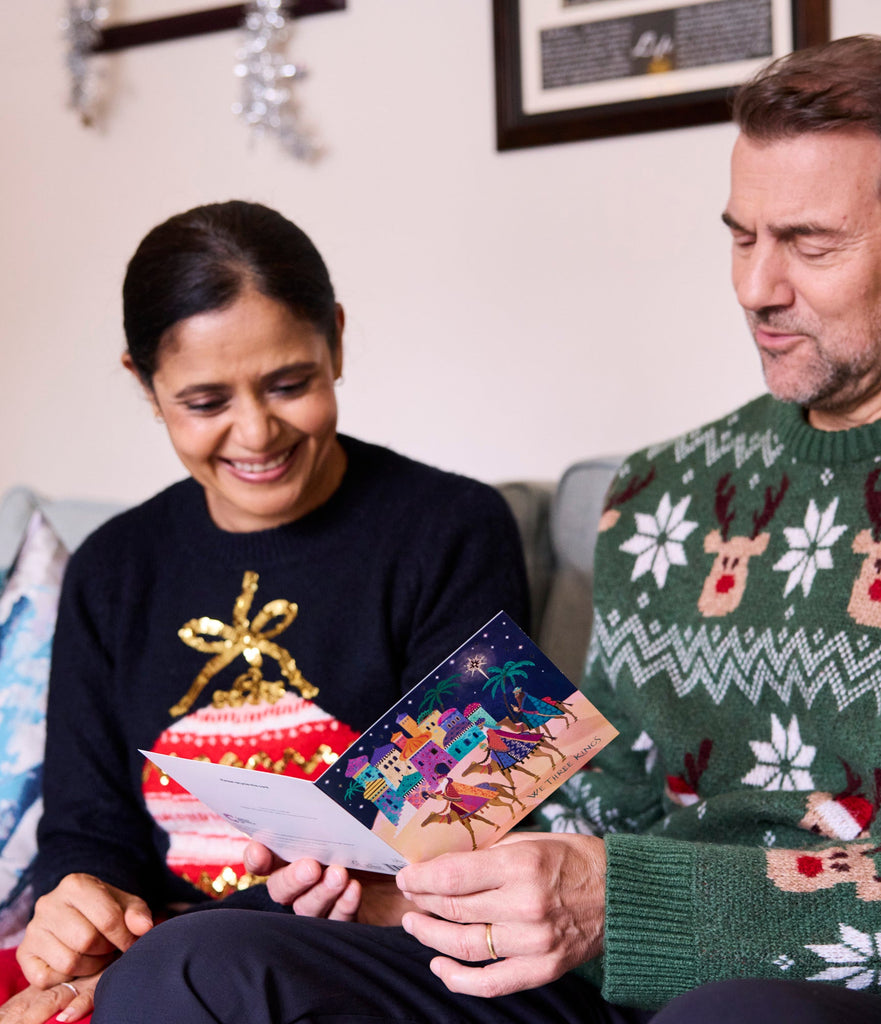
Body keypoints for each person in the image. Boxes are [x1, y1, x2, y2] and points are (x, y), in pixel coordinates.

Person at [90, 34, 881, 1024]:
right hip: (602, 984)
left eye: (808, 242)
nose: (756, 287)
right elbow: (599, 803)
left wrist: (626, 902)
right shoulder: (665, 490)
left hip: (829, 1001)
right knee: (192, 965)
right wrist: (407, 888)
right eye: (741, 236)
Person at [0, 201, 529, 1023]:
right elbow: (86, 832)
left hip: (375, 961)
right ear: (144, 383)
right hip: (158, 961)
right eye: (206, 402)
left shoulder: (454, 530)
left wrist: (147, 967)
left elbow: (457, 832)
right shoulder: (110, 569)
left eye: (290, 384)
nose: (256, 433)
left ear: (338, 342)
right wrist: (77, 912)